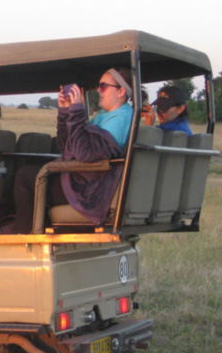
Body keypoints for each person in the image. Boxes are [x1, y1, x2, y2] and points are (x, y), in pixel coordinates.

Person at [12, 67, 134, 233]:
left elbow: (85, 154)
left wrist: (77, 111)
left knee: (25, 176)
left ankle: (25, 240)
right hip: (82, 182)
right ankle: (41, 232)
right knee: (32, 170)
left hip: (86, 190)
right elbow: (67, 146)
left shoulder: (119, 119)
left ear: (120, 91)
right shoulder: (107, 116)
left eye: (104, 86)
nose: (99, 90)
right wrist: (65, 111)